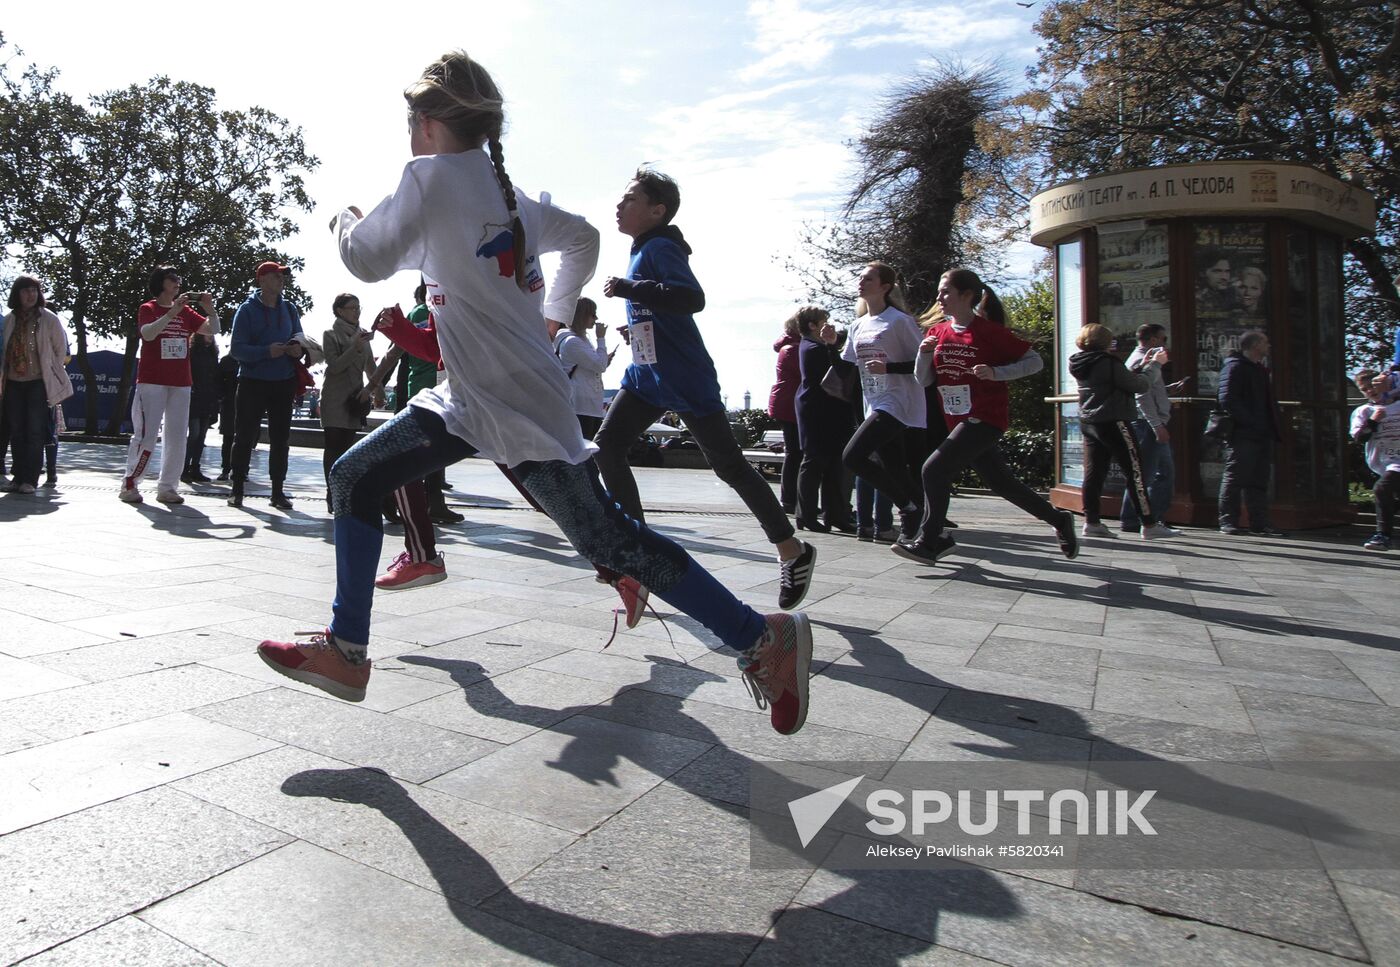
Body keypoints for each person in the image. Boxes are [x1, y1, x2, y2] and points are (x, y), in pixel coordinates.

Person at [255, 51, 812, 735]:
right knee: (355, 475)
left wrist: (342, 216)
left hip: (512, 402)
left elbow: (365, 258)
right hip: (476, 397)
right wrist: (554, 312)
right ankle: (347, 650)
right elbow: (581, 238)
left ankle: (763, 639)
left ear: (427, 123)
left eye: (410, 122)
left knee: (609, 538)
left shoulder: (428, 177)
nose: (408, 135)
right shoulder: (505, 191)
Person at [594, 167, 816, 611]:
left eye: (631, 198)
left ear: (657, 211)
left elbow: (690, 298)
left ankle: (792, 548)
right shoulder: (645, 248)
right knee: (607, 447)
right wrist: (637, 324)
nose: (620, 205)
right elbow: (663, 307)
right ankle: (640, 556)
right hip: (647, 375)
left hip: (684, 376)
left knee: (730, 467)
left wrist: (629, 288)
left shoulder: (659, 247)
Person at [897, 268, 1080, 564]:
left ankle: (931, 540)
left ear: (967, 295)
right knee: (1001, 483)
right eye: (939, 292)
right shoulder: (936, 332)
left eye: (946, 291)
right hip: (957, 420)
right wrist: (924, 354)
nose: (939, 298)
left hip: (986, 417)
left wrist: (997, 373)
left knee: (933, 470)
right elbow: (924, 380)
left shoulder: (989, 332)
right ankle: (1058, 520)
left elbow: (1035, 362)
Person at [840, 262, 926, 540]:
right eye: (860, 277)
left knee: (852, 457)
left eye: (868, 278)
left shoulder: (899, 321)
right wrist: (831, 345)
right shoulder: (857, 325)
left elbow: (924, 363)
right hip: (873, 402)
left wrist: (888, 368)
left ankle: (907, 509)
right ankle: (926, 521)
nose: (861, 282)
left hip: (898, 401)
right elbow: (845, 369)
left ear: (885, 287)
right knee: (896, 469)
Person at [1068, 324, 1176, 540]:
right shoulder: (1107, 362)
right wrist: (1154, 365)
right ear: (1105, 342)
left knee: (1094, 472)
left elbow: (1116, 381)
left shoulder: (1079, 362)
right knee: (1135, 471)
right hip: (1114, 420)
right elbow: (1139, 386)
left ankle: (1092, 521)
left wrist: (1139, 368)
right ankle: (1148, 523)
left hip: (1090, 421)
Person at [119, 266, 215, 505]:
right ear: (160, 283)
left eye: (179, 279)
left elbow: (212, 329)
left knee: (177, 436)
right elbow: (148, 334)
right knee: (146, 435)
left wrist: (210, 309)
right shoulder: (148, 308)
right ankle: (130, 483)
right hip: (152, 382)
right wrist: (172, 313)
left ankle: (168, 487)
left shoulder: (187, 312)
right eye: (173, 279)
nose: (178, 283)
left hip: (181, 382)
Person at [228, 262, 308, 510]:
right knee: (243, 436)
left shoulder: (290, 309)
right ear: (261, 280)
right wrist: (266, 352)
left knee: (281, 438)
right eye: (275, 275)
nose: (281, 279)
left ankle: (278, 491)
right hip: (253, 381)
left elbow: (300, 337)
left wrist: (298, 349)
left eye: (282, 276)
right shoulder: (246, 310)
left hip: (284, 381)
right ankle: (237, 488)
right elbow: (236, 349)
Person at [1, 276, 74, 494]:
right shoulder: (9, 319)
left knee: (34, 431)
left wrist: (51, 369)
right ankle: (18, 476)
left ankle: (30, 479)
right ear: (17, 294)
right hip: (13, 381)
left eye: (34, 290)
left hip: (38, 381)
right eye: (25, 291)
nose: (30, 295)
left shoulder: (49, 318)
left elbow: (60, 349)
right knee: (17, 430)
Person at [1119, 324, 1188, 534]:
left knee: (1160, 473)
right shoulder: (1144, 361)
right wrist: (1156, 425)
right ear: (1153, 340)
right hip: (1148, 424)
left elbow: (1147, 391)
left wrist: (1166, 390)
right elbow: (1140, 396)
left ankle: (1149, 518)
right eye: (1163, 339)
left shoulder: (1142, 359)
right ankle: (1139, 519)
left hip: (1150, 422)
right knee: (1147, 474)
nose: (1166, 344)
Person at [793, 306, 856, 531]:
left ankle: (833, 515)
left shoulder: (811, 347)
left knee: (831, 464)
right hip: (819, 412)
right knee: (815, 462)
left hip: (823, 411)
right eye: (824, 321)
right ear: (812, 325)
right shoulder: (814, 349)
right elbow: (839, 371)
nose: (829, 326)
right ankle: (807, 515)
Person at [1217, 330, 1284, 536]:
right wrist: (1250, 422)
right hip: (1243, 433)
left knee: (1259, 480)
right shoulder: (1235, 367)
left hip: (1261, 432)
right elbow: (1227, 398)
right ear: (1255, 345)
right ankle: (1228, 521)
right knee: (1235, 476)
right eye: (1265, 343)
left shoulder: (1258, 369)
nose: (1268, 346)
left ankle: (1259, 522)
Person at [319, 293, 382, 500]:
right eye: (352, 308)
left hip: (356, 399)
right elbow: (335, 366)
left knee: (348, 448)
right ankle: (332, 493)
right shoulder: (330, 334)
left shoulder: (362, 335)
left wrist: (377, 389)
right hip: (335, 398)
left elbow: (370, 366)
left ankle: (344, 491)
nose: (357, 312)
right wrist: (354, 347)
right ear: (340, 311)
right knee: (333, 446)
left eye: (358, 307)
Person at [550, 296, 614, 440]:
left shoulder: (580, 340)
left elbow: (597, 365)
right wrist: (601, 339)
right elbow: (600, 366)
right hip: (581, 404)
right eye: (592, 314)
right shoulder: (573, 342)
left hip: (587, 404)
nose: (596, 318)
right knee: (584, 449)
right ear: (581, 315)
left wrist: (603, 359)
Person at [1350, 368, 1400, 551]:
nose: (1370, 391)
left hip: (1397, 463)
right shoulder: (1365, 410)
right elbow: (1359, 438)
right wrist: (1373, 421)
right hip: (1384, 461)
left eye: (1372, 386)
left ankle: (1383, 535)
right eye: (1364, 390)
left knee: (1382, 488)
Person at [768, 313, 802, 514]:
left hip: (786, 402)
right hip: (790, 404)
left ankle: (790, 498)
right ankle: (789, 499)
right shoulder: (793, 349)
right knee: (795, 453)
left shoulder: (787, 347)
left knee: (794, 453)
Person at [182, 328, 221, 484]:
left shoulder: (212, 354)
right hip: (194, 397)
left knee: (202, 435)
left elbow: (215, 376)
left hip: (207, 398)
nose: (210, 336)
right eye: (207, 333)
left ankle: (195, 467)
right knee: (194, 433)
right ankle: (184, 467)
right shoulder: (192, 353)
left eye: (211, 334)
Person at [215, 349, 240, 482]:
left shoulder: (246, 359)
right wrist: (222, 397)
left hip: (244, 403)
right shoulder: (226, 361)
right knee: (228, 438)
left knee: (243, 439)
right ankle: (226, 469)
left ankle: (241, 470)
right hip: (229, 404)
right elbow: (218, 381)